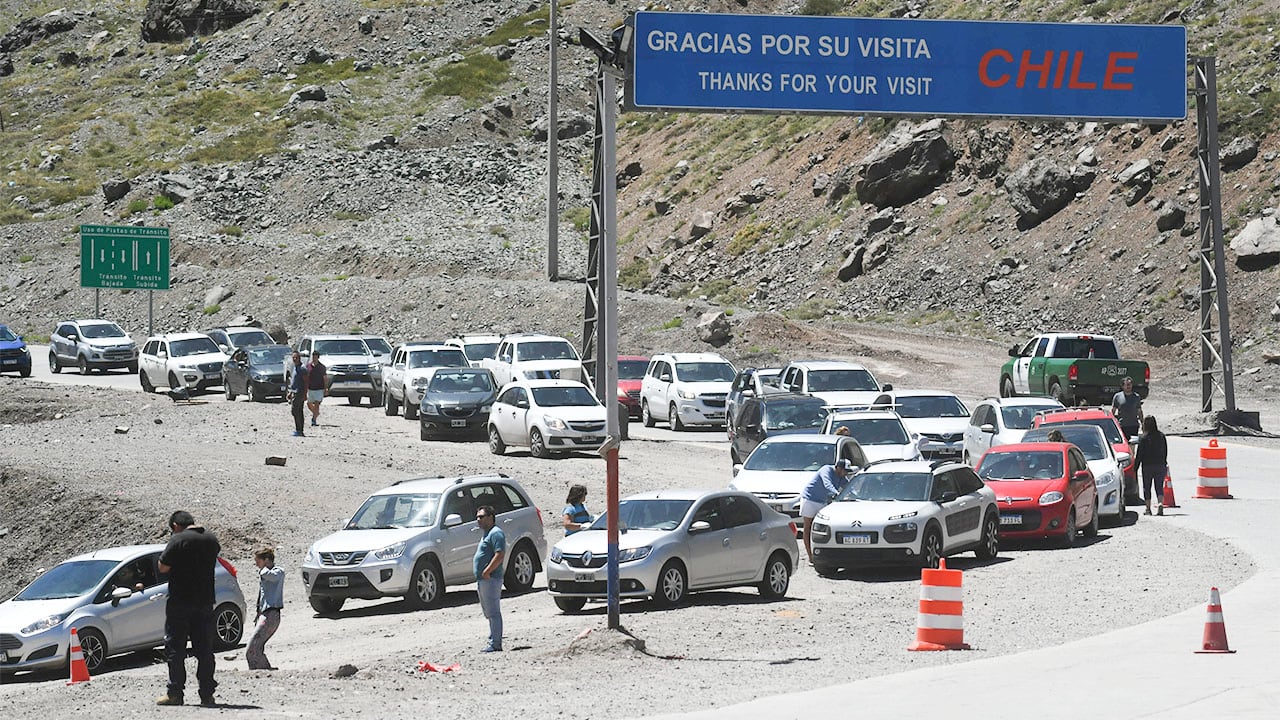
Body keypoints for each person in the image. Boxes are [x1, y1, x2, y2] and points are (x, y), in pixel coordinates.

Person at [156, 511, 221, 707]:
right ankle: (207, 694)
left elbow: (163, 567)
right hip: (204, 602)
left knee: (176, 648)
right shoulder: (211, 539)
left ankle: (175, 693)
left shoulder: (178, 539)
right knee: (204, 649)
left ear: (176, 525)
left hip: (180, 602)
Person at [800, 458, 854, 563]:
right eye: (845, 471)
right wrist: (838, 495)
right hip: (809, 499)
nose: (846, 474)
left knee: (823, 528)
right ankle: (810, 556)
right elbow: (827, 484)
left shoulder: (842, 477)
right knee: (808, 527)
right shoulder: (826, 470)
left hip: (822, 501)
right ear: (838, 468)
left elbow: (849, 487)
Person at [246, 547, 285, 670]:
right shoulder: (265, 573)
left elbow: (271, 576)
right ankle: (265, 671)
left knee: (252, 650)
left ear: (267, 560)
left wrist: (264, 569)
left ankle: (264, 672)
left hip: (271, 615)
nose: (256, 564)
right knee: (256, 648)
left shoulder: (277, 572)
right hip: (264, 614)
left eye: (258, 560)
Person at [473, 505, 506, 652]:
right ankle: (493, 638)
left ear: (490, 517)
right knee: (489, 611)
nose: (478, 519)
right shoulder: (487, 533)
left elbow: (500, 554)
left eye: (481, 516)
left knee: (493, 611)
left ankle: (495, 643)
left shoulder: (496, 533)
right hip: (484, 579)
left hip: (491, 578)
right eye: (477, 517)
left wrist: (487, 571)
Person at [1135, 415, 1169, 516]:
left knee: (1147, 487)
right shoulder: (1161, 436)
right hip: (1160, 465)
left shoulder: (1144, 438)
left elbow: (1139, 455)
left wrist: (1135, 468)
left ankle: (1148, 508)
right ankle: (1160, 503)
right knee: (1159, 486)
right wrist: (1164, 462)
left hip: (1147, 466)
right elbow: (1165, 450)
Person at [1111, 377, 1143, 441]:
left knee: (1133, 445)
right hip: (1122, 426)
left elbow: (1139, 411)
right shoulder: (1117, 396)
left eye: (1130, 384)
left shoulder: (1136, 397)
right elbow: (1113, 411)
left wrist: (1142, 423)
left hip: (1134, 425)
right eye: (1127, 385)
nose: (1128, 386)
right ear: (1123, 386)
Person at [305, 350, 327, 427]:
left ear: (318, 357)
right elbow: (306, 377)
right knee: (309, 403)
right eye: (313, 356)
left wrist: (325, 388)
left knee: (317, 403)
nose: (314, 358)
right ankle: (316, 412)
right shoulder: (308, 366)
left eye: (316, 357)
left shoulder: (322, 367)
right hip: (310, 388)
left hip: (319, 388)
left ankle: (314, 419)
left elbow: (325, 378)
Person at [288, 350, 306, 437]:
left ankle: (299, 430)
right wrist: (290, 392)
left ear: (299, 358)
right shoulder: (295, 367)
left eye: (296, 357)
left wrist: (305, 394)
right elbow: (294, 381)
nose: (295, 359)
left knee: (296, 411)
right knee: (297, 411)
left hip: (300, 393)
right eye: (293, 358)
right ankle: (299, 430)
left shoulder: (302, 368)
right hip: (294, 392)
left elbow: (306, 381)